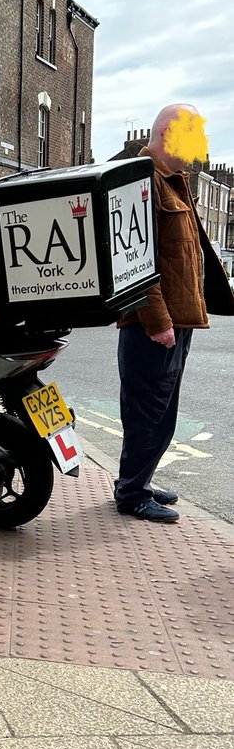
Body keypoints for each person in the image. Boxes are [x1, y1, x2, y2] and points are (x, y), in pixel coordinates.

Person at [115, 103, 234, 522]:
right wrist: (159, 321)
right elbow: (132, 260)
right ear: (167, 134)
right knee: (147, 411)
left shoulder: (174, 181)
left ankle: (139, 481)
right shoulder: (139, 181)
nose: (199, 146)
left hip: (176, 321)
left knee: (162, 411)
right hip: (154, 325)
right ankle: (131, 494)